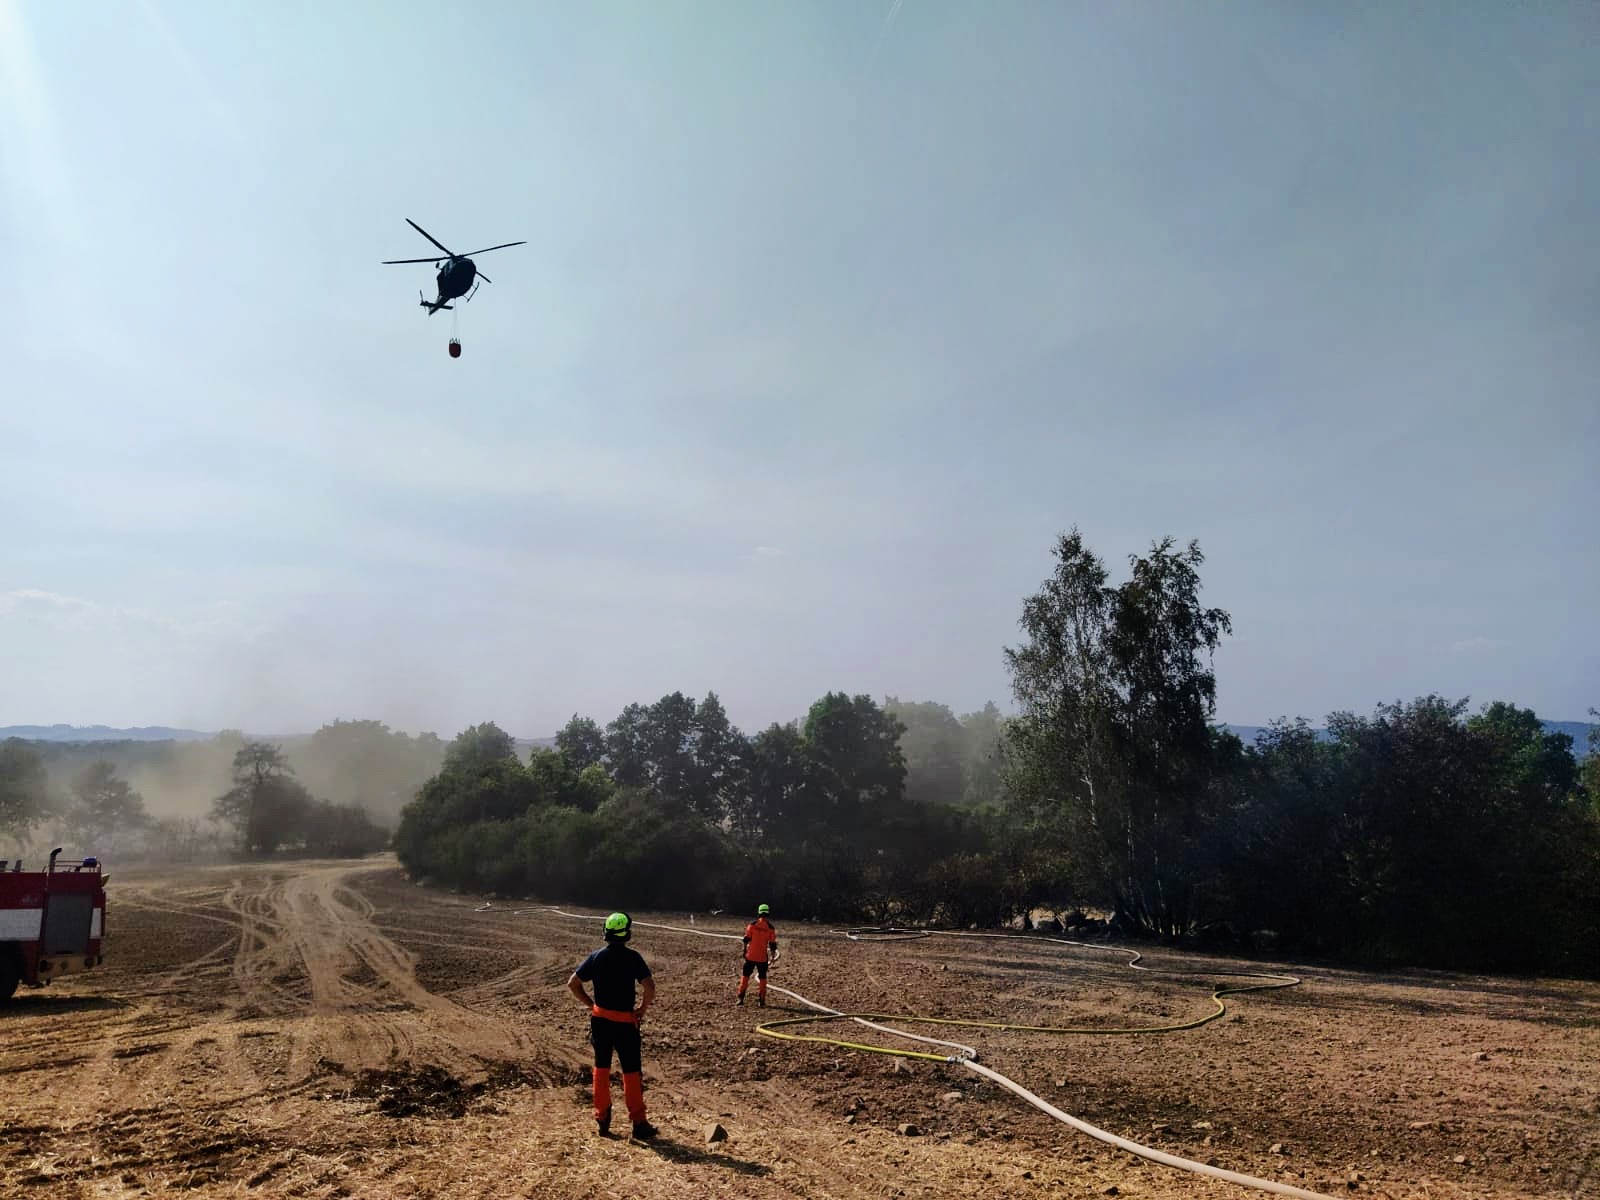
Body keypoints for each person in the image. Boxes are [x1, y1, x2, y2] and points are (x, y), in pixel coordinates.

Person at [567, 911, 657, 1139]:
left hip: (601, 1021)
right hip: (625, 1022)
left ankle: (602, 1120)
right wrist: (642, 1009)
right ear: (627, 934)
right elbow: (649, 987)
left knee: (601, 1068)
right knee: (631, 1070)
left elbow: (573, 983)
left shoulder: (596, 957)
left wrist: (591, 1005)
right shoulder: (633, 958)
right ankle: (639, 1123)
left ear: (606, 933)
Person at [735, 903, 779, 1007]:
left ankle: (740, 998)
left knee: (745, 976)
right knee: (762, 978)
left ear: (759, 912)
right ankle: (761, 1001)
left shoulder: (752, 925)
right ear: (768, 913)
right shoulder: (770, 928)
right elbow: (772, 944)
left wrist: (744, 950)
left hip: (750, 956)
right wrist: (773, 957)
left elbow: (746, 939)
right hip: (762, 958)